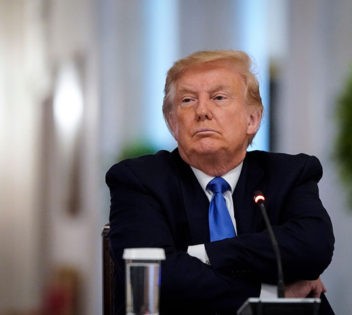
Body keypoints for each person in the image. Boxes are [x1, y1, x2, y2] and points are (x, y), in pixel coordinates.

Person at [106, 50, 335, 315]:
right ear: (172, 122)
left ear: (253, 119)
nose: (202, 111)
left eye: (218, 97)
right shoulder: (139, 181)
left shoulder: (289, 173)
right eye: (188, 100)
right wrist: (269, 292)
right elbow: (156, 280)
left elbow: (313, 248)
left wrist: (205, 254)